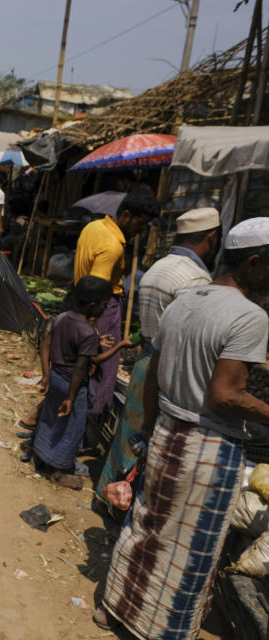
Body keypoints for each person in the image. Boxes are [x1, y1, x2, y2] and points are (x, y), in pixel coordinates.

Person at [94, 217, 269, 639]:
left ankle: (114, 609)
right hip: (207, 446)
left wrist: (150, 433)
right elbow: (225, 396)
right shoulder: (250, 317)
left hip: (168, 431)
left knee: (146, 527)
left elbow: (154, 376)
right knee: (190, 550)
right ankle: (161, 630)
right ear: (256, 263)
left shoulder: (186, 301)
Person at [95, 207, 221, 513]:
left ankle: (107, 495)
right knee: (148, 439)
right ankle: (123, 505)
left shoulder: (157, 267)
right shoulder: (196, 278)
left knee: (129, 432)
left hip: (146, 359)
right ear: (211, 237)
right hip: (169, 366)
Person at [32, 277, 130, 489]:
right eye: (105, 304)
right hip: (73, 387)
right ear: (93, 305)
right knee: (73, 428)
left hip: (56, 377)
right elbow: (84, 366)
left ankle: (40, 456)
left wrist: (46, 374)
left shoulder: (62, 318)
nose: (106, 309)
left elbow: (46, 344)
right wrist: (120, 345)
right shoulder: (87, 332)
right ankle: (59, 471)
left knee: (50, 419)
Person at [73, 186, 157, 417]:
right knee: (103, 369)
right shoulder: (112, 246)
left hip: (81, 301)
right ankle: (91, 413)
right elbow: (97, 293)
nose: (140, 231)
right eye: (140, 224)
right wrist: (94, 329)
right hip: (102, 309)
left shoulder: (94, 226)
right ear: (126, 215)